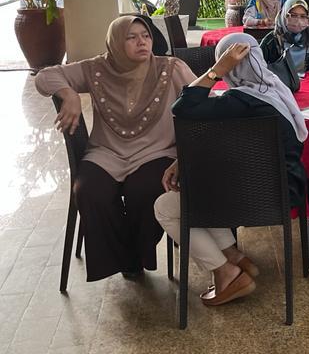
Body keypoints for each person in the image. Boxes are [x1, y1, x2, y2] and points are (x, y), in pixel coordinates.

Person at [34, 16, 194, 281]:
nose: (141, 42)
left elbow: (201, 97)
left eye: (145, 35)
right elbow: (44, 77)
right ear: (116, 43)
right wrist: (69, 93)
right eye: (131, 37)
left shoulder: (170, 68)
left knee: (146, 190)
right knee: (89, 191)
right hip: (107, 152)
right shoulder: (97, 68)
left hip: (156, 151)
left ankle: (135, 257)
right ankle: (126, 259)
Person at [154, 33, 308, 306]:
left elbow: (183, 106)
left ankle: (225, 272)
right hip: (285, 192)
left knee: (166, 207)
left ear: (228, 64)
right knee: (204, 189)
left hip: (246, 198)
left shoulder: (236, 102)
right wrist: (184, 159)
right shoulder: (275, 89)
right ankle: (235, 256)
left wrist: (216, 71)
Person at [259, 0, 309, 74]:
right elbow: (258, 65)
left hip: (308, 79)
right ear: (284, 15)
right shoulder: (271, 40)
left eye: (303, 16)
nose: (298, 20)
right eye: (293, 15)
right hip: (277, 79)